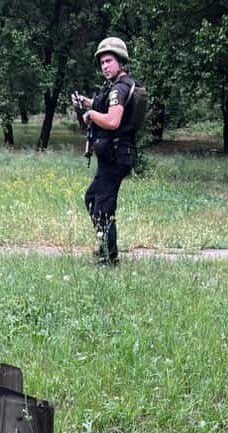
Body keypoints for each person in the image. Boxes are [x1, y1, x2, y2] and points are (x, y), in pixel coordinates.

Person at [74, 37, 139, 266]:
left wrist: (91, 115)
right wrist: (88, 103)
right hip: (114, 154)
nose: (105, 66)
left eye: (109, 61)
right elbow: (107, 106)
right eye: (102, 63)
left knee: (103, 206)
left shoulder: (119, 89)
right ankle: (104, 245)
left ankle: (109, 258)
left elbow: (112, 120)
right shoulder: (116, 87)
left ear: (120, 61)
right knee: (93, 198)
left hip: (115, 155)